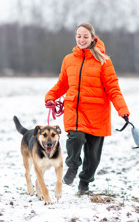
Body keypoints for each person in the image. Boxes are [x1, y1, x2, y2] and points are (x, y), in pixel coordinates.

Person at [45, 23, 130, 195]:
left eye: (85, 36)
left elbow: (113, 88)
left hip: (97, 114)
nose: (81, 39)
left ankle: (84, 184)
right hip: (75, 112)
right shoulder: (68, 60)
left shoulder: (104, 61)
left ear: (92, 38)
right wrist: (50, 97)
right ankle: (73, 166)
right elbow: (62, 83)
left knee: (93, 157)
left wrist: (122, 110)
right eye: (78, 36)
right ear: (75, 37)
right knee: (75, 137)